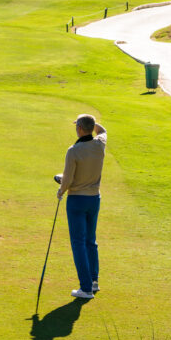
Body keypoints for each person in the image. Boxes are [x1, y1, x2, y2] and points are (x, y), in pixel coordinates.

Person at [56, 114, 106, 300]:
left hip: (77, 200)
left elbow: (67, 180)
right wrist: (93, 124)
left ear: (79, 129)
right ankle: (93, 281)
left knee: (78, 243)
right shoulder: (100, 143)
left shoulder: (74, 151)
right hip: (94, 199)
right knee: (90, 241)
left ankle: (85, 288)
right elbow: (103, 131)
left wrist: (61, 190)